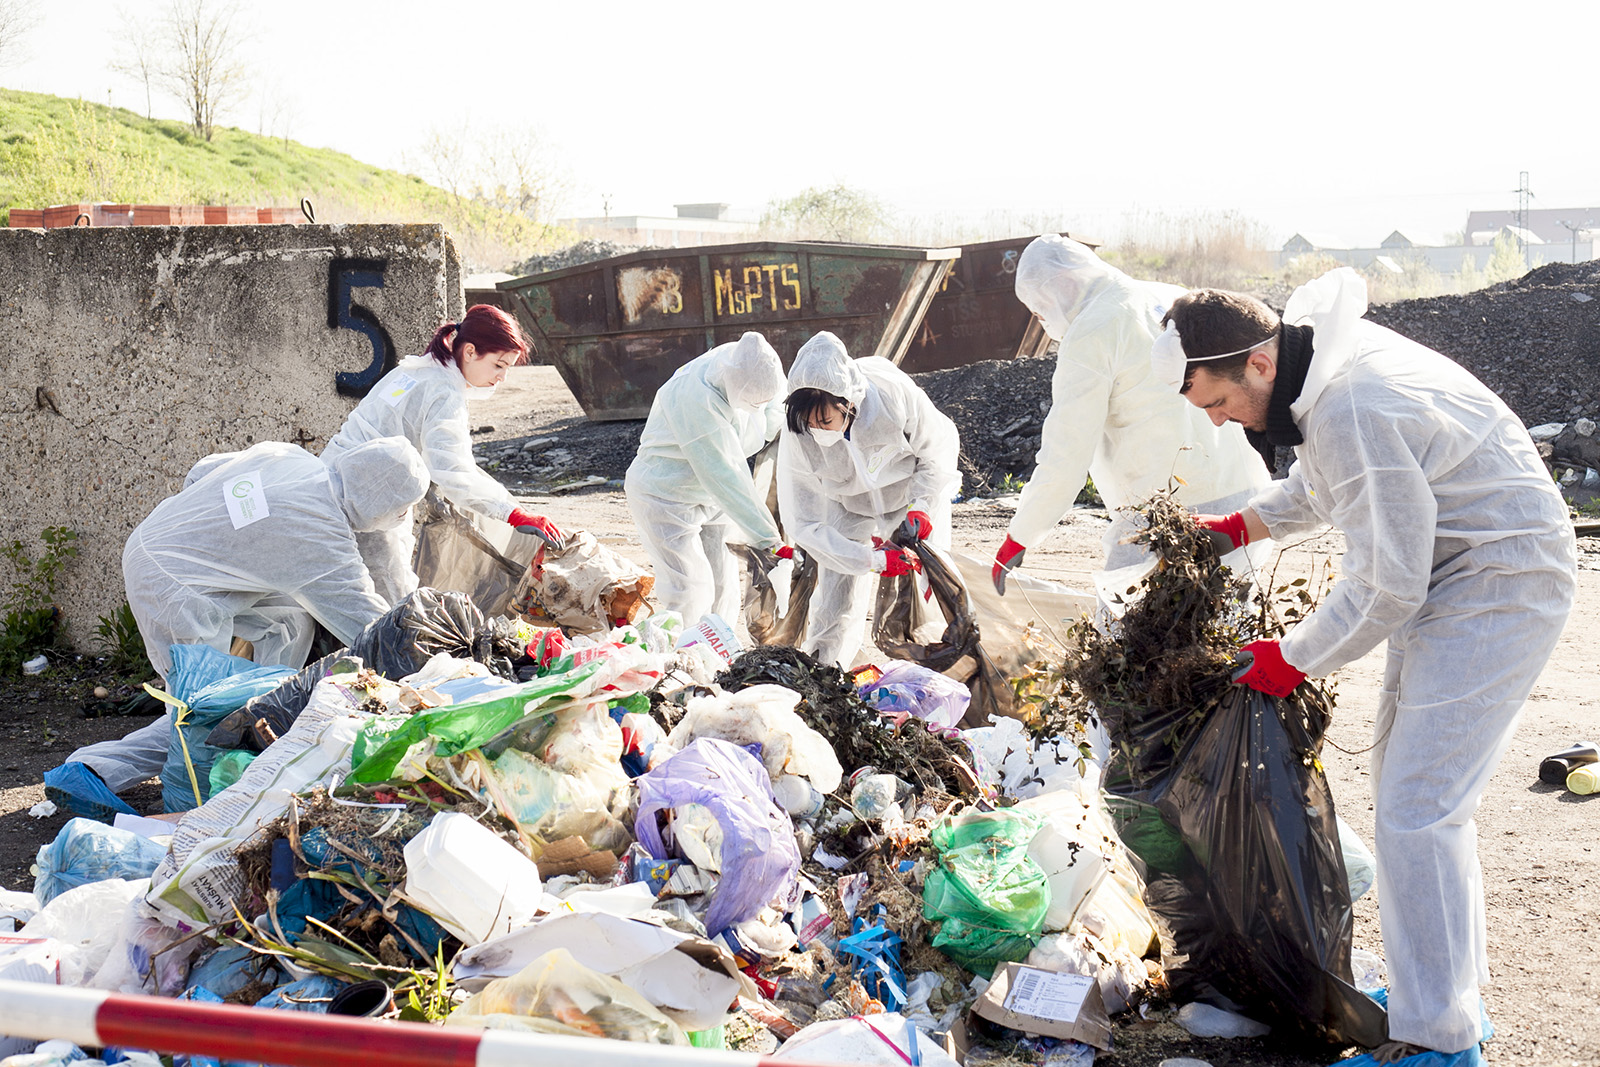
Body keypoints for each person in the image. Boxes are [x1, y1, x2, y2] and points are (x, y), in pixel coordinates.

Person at [1158, 267, 1576, 1067]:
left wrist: (1294, 657)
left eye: (1218, 402)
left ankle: (1442, 1041)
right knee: (1413, 796)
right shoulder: (1320, 376)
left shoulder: (1350, 403)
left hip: (1501, 578)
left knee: (1421, 803)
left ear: (1258, 364)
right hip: (1460, 576)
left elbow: (1386, 580)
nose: (1219, 422)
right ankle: (1441, 995)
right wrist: (1240, 524)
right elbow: (1327, 488)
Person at [61, 437, 431, 802]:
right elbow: (369, 626)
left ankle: (268, 714)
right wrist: (436, 666)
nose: (400, 519)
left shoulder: (293, 459)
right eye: (401, 509)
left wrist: (218, 540)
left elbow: (200, 472)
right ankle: (93, 769)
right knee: (202, 712)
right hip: (173, 589)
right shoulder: (322, 535)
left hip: (158, 541)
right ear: (378, 497)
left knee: (291, 619)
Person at [989, 235, 1270, 594]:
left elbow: (1067, 453)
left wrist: (1021, 535)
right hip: (1247, 495)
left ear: (1063, 284)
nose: (1043, 319)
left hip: (1170, 513)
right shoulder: (1169, 294)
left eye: (1040, 308)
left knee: (1126, 635)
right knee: (1228, 625)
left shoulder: (1091, 331)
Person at [322, 303, 564, 604]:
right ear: (471, 351)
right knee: (391, 607)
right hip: (369, 500)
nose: (501, 378)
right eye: (498, 365)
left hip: (331, 483)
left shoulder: (415, 370)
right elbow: (453, 471)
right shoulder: (444, 393)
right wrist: (512, 513)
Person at [777, 331, 960, 667]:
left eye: (824, 420)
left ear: (847, 402)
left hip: (907, 495)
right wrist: (869, 558)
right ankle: (826, 671)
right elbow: (801, 521)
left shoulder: (891, 395)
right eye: (809, 422)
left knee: (927, 588)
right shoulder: (797, 433)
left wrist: (922, 507)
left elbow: (937, 452)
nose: (817, 429)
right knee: (834, 597)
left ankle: (936, 674)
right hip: (845, 501)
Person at [625, 331, 790, 626]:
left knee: (721, 588)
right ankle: (676, 659)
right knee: (690, 590)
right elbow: (723, 472)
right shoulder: (695, 394)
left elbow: (775, 413)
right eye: (752, 403)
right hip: (665, 494)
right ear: (733, 387)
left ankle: (716, 658)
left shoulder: (759, 367)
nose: (756, 409)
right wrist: (768, 539)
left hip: (709, 497)